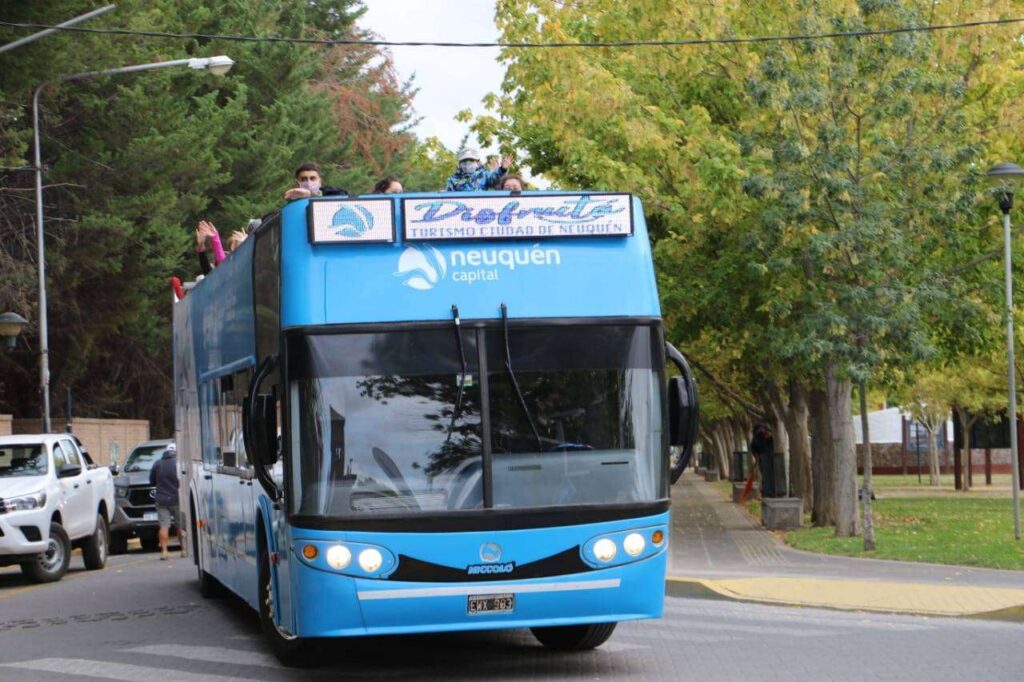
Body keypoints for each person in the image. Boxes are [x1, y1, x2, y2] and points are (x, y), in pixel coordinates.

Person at [149, 442, 183, 560]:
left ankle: (164, 551)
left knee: (164, 526)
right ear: (175, 452)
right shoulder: (178, 463)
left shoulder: (157, 464)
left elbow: (151, 481)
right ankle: (183, 550)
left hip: (161, 499)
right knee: (180, 525)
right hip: (177, 499)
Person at [445, 148, 511, 191]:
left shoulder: (484, 175)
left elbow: (496, 180)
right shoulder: (453, 180)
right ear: (459, 163)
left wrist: (502, 169)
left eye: (471, 160)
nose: (468, 163)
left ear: (478, 162)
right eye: (464, 160)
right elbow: (448, 197)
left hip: (479, 209)